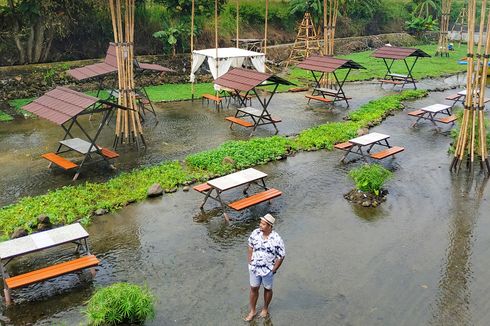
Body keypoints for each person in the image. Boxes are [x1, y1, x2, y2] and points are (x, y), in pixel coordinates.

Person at [244, 213, 286, 321]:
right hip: (254, 268)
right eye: (260, 223)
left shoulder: (277, 239)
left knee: (267, 289)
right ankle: (252, 311)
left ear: (269, 226)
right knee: (253, 288)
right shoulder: (255, 233)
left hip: (268, 270)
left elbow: (281, 256)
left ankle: (265, 308)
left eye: (263, 224)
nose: (260, 225)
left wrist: (274, 269)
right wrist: (250, 261)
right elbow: (250, 245)